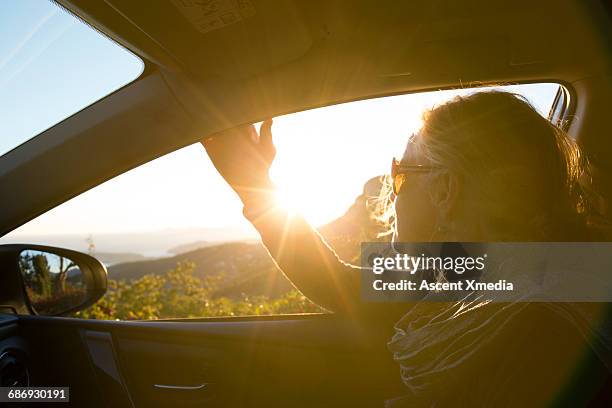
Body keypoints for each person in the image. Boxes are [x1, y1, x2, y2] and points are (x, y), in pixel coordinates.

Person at [202, 91, 609, 405]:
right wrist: (254, 186)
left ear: (446, 190)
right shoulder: (477, 269)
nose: (388, 190)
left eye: (400, 172)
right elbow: (340, 282)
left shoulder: (538, 335)